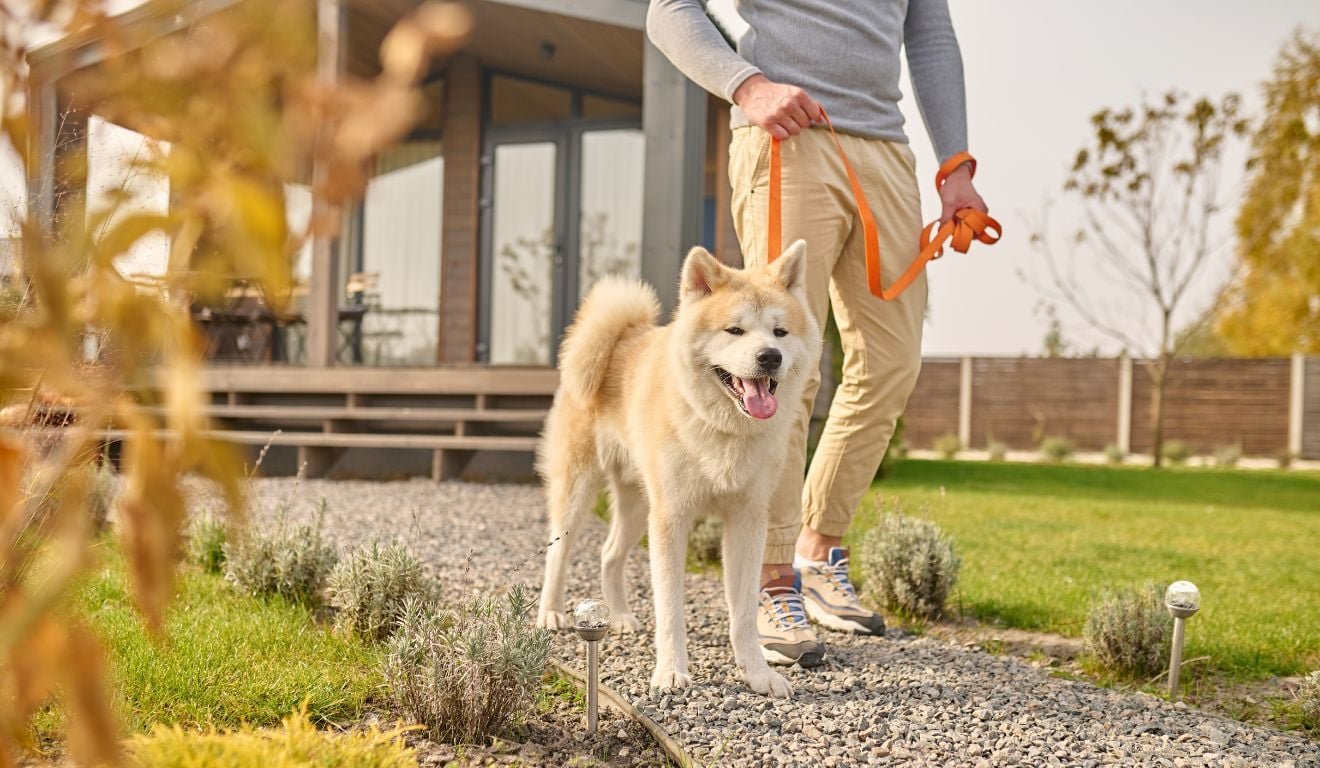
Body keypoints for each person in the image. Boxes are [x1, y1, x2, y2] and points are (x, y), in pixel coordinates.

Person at [646, 0, 989, 666]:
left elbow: (930, 34)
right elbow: (669, 9)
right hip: (788, 135)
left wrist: (956, 164)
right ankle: (773, 580)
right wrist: (747, 85)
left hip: (885, 148)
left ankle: (818, 547)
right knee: (777, 368)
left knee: (892, 361)